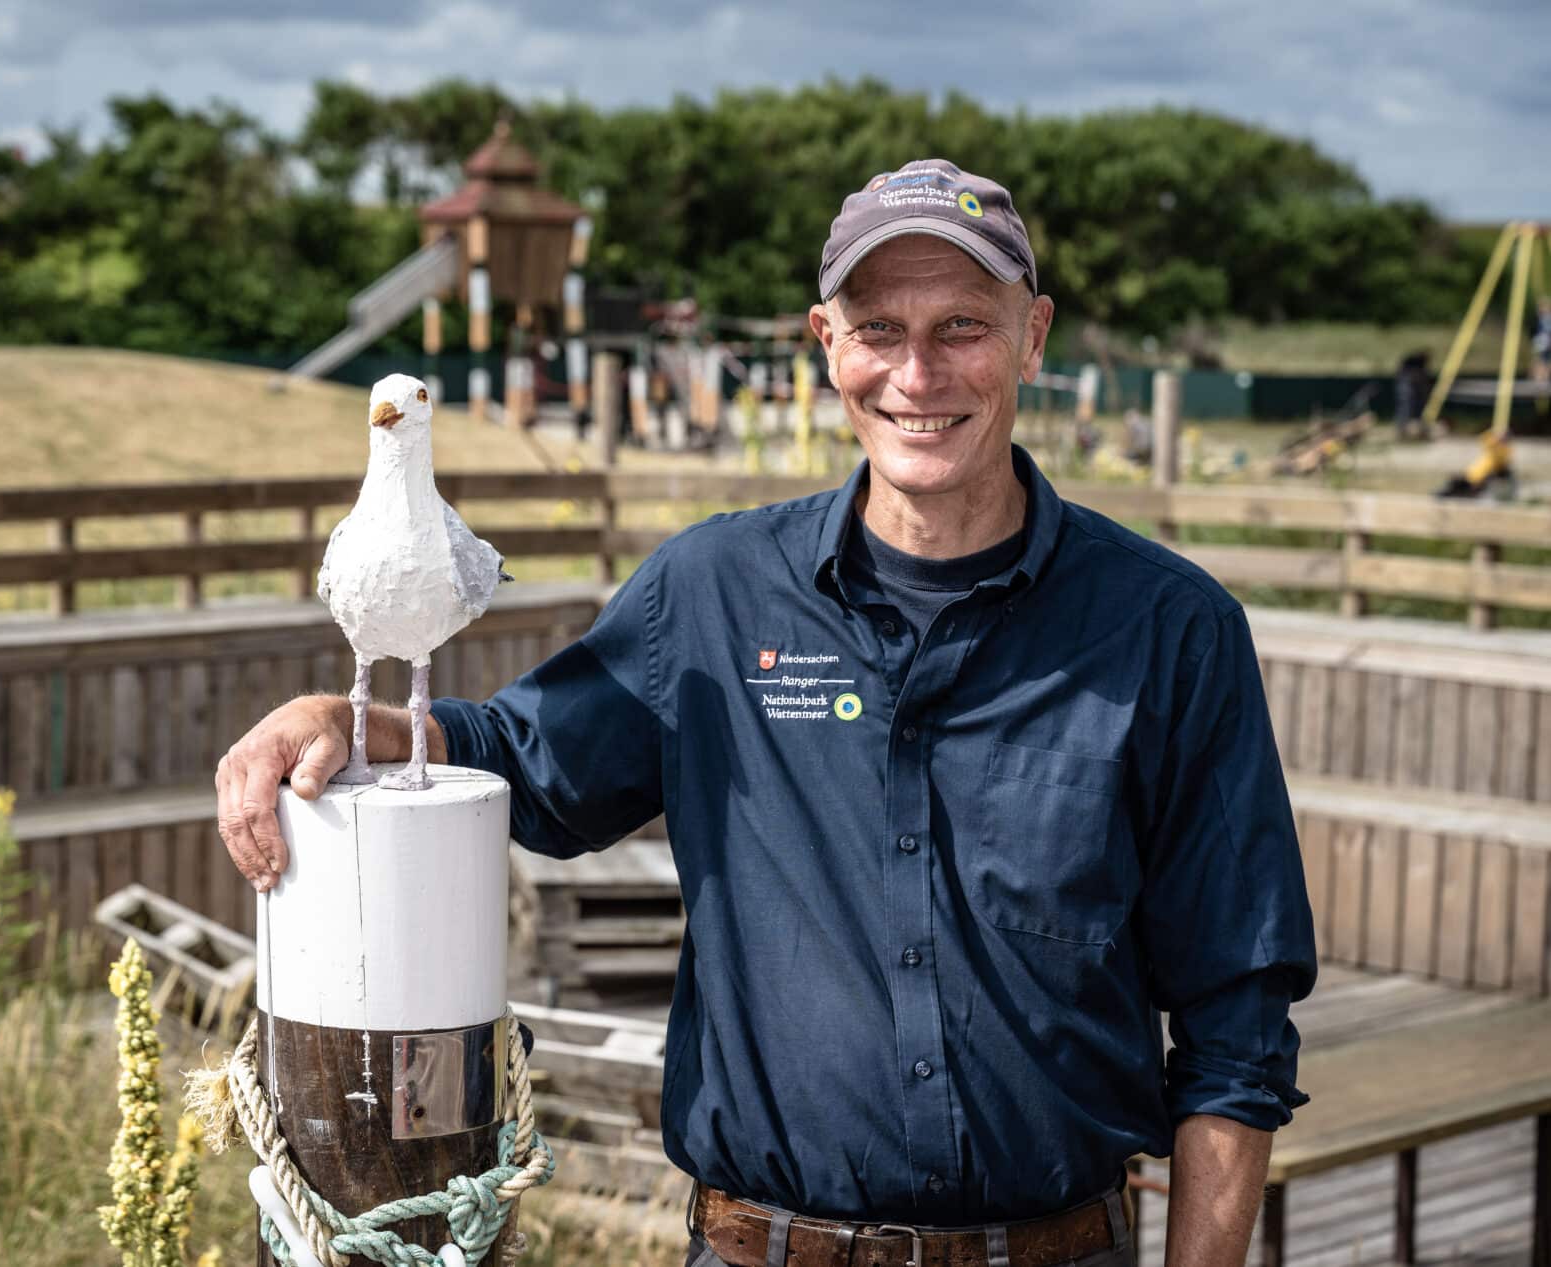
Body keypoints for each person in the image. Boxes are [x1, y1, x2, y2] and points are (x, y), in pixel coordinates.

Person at [217, 158, 1316, 1267]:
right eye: (878, 326)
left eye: (963, 326)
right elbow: (528, 757)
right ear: (825, 343)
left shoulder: (1170, 628)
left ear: (1032, 338)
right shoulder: (711, 591)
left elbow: (1238, 1018)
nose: (917, 373)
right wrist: (347, 717)